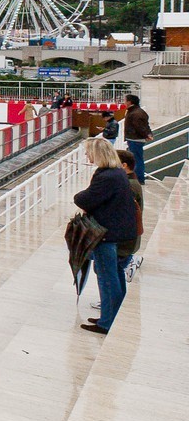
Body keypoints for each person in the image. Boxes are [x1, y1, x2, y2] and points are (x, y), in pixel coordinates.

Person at [74, 138, 137, 335]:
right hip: (117, 231)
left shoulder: (107, 177)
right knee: (114, 276)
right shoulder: (117, 173)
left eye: (88, 152)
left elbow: (86, 199)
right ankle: (111, 316)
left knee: (107, 278)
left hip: (105, 234)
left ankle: (107, 323)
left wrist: (79, 196)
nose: (87, 156)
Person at [116, 150, 145, 282]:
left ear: (124, 165)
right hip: (128, 237)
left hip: (124, 239)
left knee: (112, 271)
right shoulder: (131, 181)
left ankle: (130, 261)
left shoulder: (129, 186)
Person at [122, 94, 152, 180]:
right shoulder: (135, 111)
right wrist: (148, 134)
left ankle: (138, 178)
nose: (124, 102)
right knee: (136, 159)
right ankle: (137, 177)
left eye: (125, 100)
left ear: (129, 102)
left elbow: (140, 127)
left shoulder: (135, 113)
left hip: (135, 140)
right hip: (134, 139)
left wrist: (146, 135)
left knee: (136, 160)